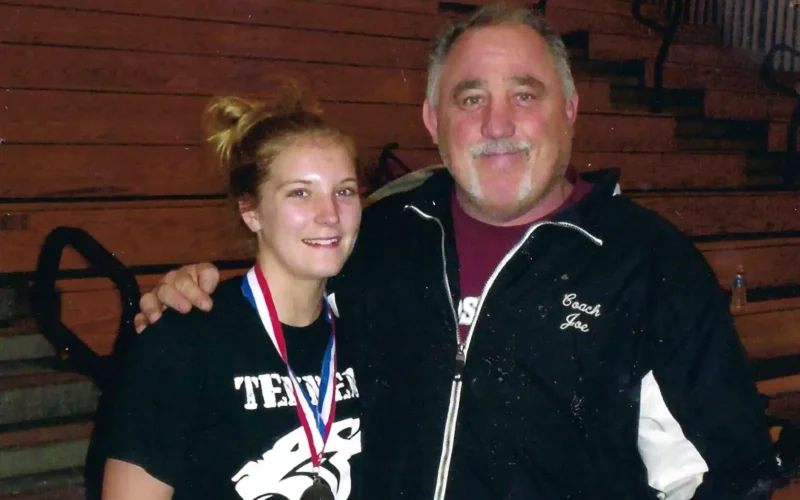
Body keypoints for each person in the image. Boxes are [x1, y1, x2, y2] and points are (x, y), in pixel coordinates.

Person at [133, 4, 780, 499]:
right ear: (433, 122)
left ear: (572, 110)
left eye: (525, 95)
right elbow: (283, 300)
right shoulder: (378, 237)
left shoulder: (650, 267)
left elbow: (724, 473)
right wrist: (191, 294)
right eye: (471, 99)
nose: (498, 125)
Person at [100, 88, 364, 499]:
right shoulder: (183, 341)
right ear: (251, 211)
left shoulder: (368, 337)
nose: (330, 214)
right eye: (299, 192)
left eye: (344, 190)